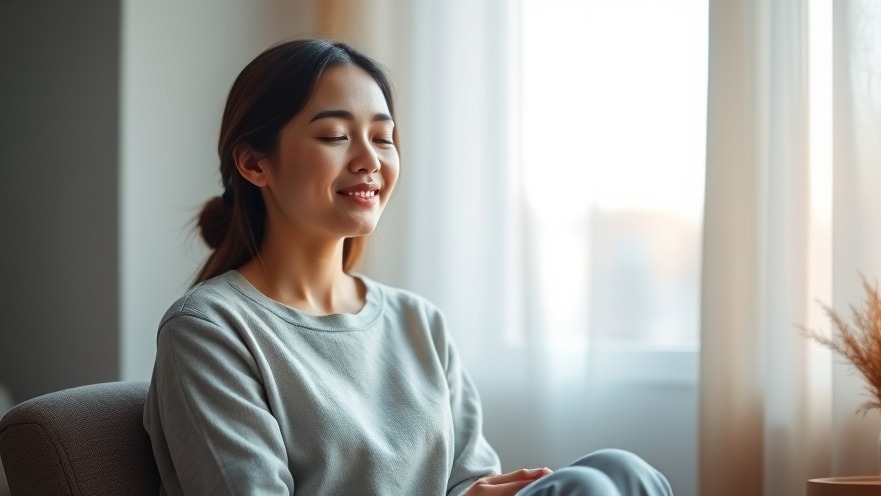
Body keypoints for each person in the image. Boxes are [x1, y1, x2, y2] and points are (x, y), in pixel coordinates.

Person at [143, 38, 673, 496]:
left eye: (383, 138)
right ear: (254, 163)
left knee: (624, 470)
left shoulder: (418, 323)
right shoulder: (209, 330)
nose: (370, 160)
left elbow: (470, 480)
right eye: (335, 136)